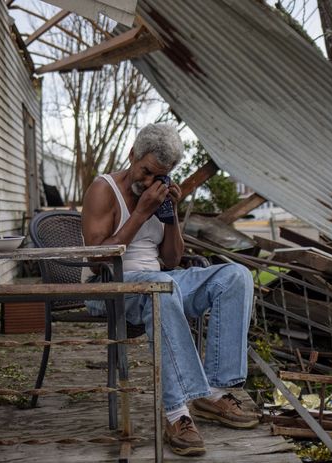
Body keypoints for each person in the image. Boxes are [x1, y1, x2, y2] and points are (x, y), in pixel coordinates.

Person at [81, 124, 257, 456]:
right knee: (162, 287)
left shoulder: (160, 198)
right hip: (110, 286)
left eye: (159, 176)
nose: (149, 182)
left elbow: (172, 259)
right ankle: (177, 413)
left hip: (161, 283)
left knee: (236, 276)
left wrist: (171, 215)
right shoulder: (103, 189)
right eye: (146, 171)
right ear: (133, 154)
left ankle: (215, 392)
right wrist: (142, 211)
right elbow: (95, 257)